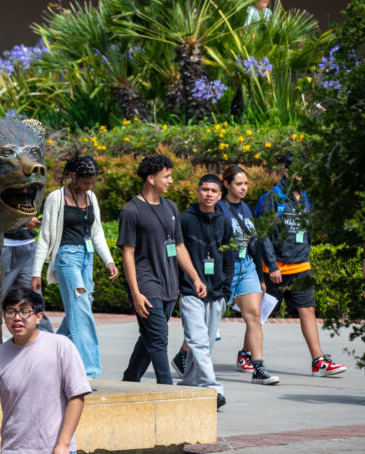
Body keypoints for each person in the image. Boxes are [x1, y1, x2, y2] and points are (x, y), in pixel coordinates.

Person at [0, 287, 90, 454]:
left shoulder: (61, 347)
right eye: (11, 312)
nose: (17, 318)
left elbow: (77, 397)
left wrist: (63, 443)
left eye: (24, 312)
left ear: (39, 317)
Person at [118, 155, 207, 385]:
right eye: (166, 176)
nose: (170, 181)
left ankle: (129, 381)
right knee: (158, 339)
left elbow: (178, 246)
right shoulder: (132, 210)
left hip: (169, 283)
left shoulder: (171, 207)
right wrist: (136, 293)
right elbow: (127, 253)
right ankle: (166, 389)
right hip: (146, 283)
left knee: (149, 338)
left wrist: (195, 277)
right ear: (150, 179)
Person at [256, 157, 346, 377]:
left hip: (300, 265)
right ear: (286, 172)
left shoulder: (304, 197)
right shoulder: (273, 198)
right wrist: (271, 265)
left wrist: (306, 252)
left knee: (308, 309)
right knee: (259, 315)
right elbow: (264, 235)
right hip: (276, 268)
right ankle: (247, 354)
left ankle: (318, 361)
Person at [31, 155, 118, 377]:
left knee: (82, 306)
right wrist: (36, 272)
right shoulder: (55, 198)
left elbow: (96, 231)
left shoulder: (91, 198)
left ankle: (48, 349)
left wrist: (108, 260)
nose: (90, 186)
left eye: (93, 182)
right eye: (86, 182)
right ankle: (89, 370)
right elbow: (45, 237)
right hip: (66, 258)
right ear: (74, 176)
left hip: (86, 258)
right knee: (81, 307)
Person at [209, 166, 279, 384]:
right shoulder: (218, 208)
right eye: (239, 184)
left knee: (254, 318)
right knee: (209, 318)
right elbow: (211, 243)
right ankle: (184, 356)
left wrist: (260, 277)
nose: (243, 188)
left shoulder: (246, 209)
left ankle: (258, 368)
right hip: (225, 268)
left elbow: (254, 245)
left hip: (246, 266)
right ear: (227, 184)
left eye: (246, 184)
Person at [173, 175, 234, 409]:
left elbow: (229, 256)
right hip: (190, 290)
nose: (209, 194)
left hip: (217, 292)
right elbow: (175, 253)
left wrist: (226, 290)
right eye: (205, 189)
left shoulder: (224, 221)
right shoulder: (185, 219)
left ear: (220, 195)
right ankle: (213, 387)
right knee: (197, 340)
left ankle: (189, 382)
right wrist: (179, 282)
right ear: (198, 191)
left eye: (214, 191)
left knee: (205, 344)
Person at [3, 218, 53, 333]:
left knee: (34, 300)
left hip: (28, 246)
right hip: (2, 245)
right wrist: (23, 222)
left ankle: (46, 342)